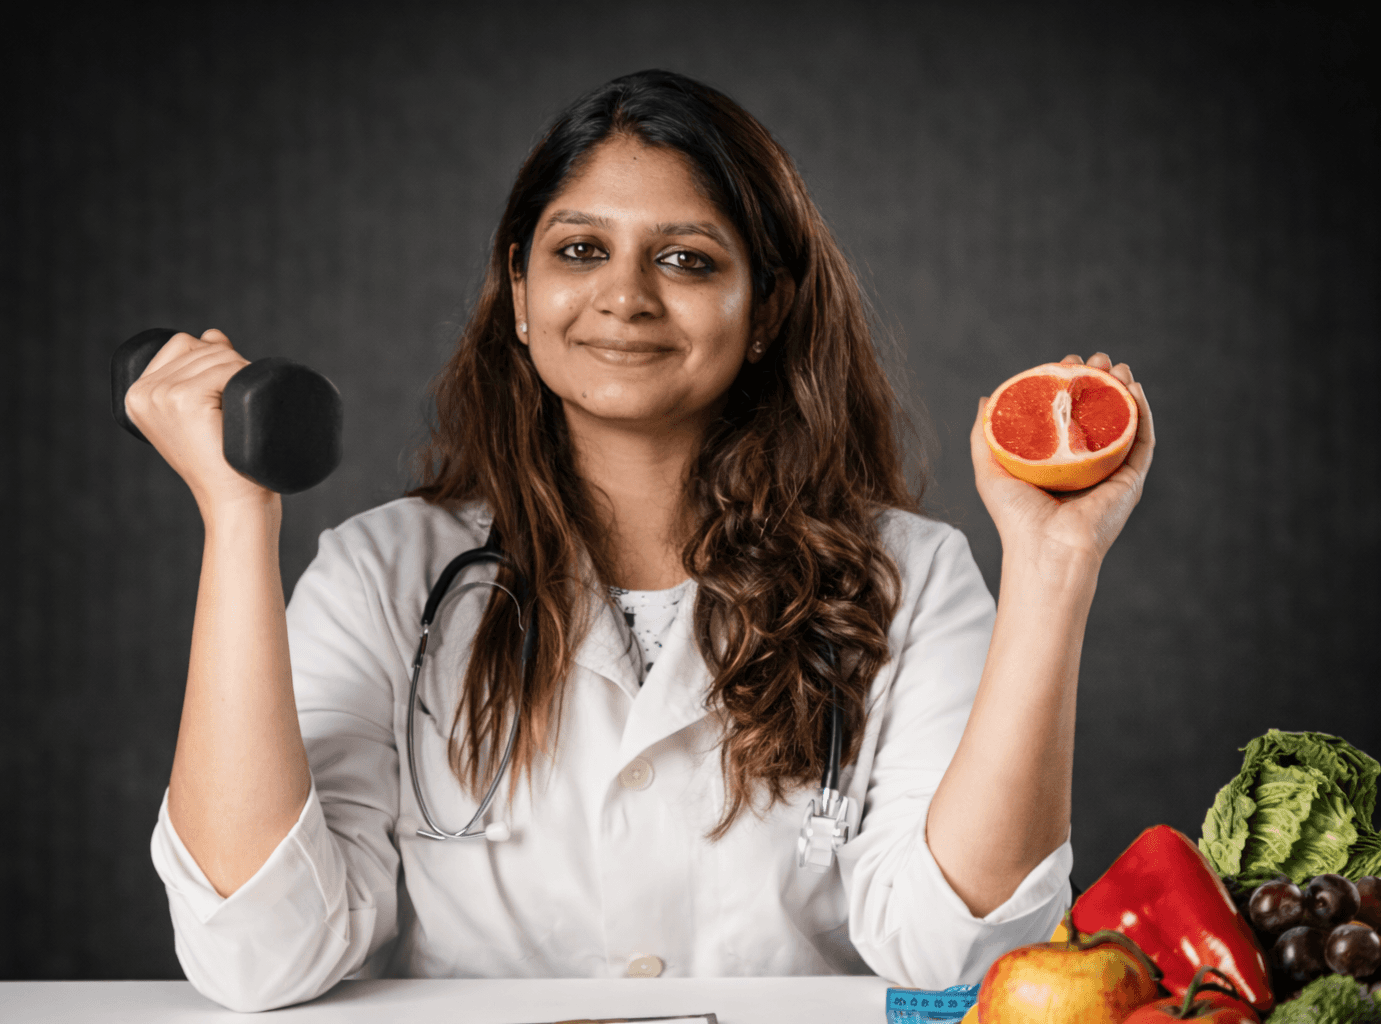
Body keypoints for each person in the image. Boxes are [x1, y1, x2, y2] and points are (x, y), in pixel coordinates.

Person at [135, 69, 1154, 1012]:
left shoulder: (913, 579)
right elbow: (258, 956)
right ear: (521, 296)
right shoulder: (381, 574)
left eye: (686, 258)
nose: (626, 293)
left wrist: (1054, 565)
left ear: (764, 310)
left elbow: (956, 958)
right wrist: (238, 515)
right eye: (580, 250)